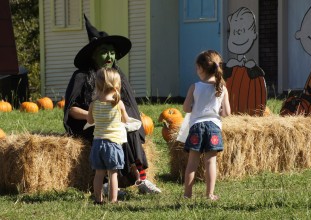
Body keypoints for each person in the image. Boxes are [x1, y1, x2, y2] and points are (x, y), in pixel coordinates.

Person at [63, 14, 161, 194]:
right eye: (104, 51)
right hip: (91, 125)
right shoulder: (81, 77)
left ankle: (141, 179)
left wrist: (123, 120)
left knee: (129, 132)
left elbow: (129, 105)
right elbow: (70, 110)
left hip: (115, 123)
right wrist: (96, 116)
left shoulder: (118, 75)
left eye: (112, 51)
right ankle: (107, 182)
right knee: (108, 136)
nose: (109, 55)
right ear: (93, 55)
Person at [183, 50, 231, 201]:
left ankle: (187, 194)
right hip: (213, 128)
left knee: (192, 163)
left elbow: (185, 108)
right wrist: (219, 110)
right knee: (211, 162)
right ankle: (210, 194)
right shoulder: (222, 87)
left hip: (196, 127)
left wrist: (194, 108)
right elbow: (227, 113)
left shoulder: (195, 87)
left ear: (201, 68)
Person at [87, 67, 128, 204]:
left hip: (98, 143)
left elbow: (90, 121)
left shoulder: (93, 104)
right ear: (117, 85)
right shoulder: (118, 104)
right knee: (113, 174)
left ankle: (98, 199)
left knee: (99, 174)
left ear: (97, 85)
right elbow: (126, 120)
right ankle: (113, 200)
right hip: (113, 144)